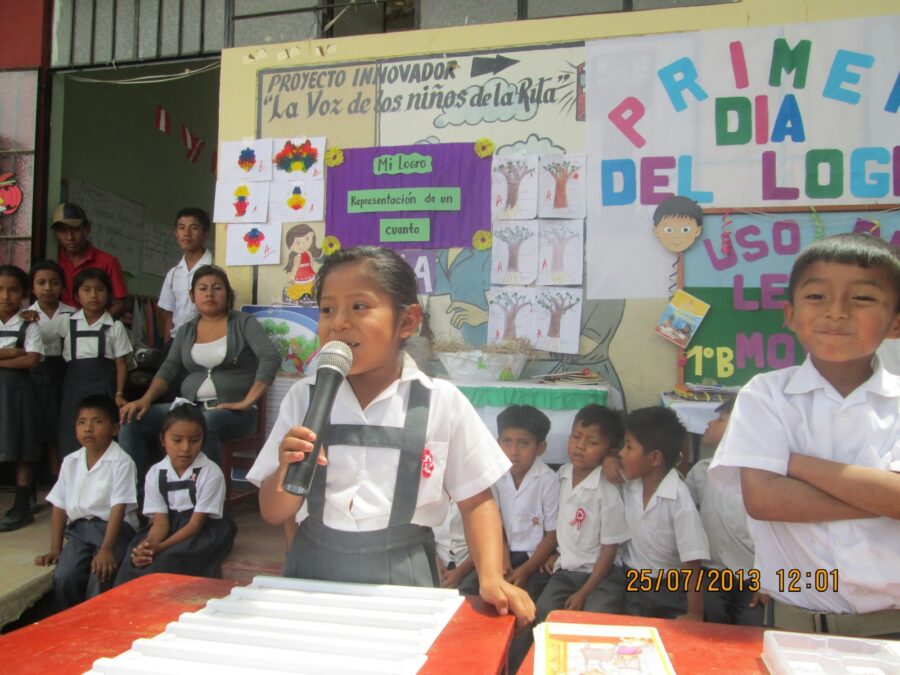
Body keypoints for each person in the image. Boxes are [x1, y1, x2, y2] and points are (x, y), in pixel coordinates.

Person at [247, 245, 535, 630]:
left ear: (407, 321)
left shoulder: (440, 401)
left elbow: (475, 500)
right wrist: (286, 469)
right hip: (313, 564)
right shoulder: (304, 397)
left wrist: (490, 576)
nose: (339, 323)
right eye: (327, 309)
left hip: (404, 569)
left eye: (359, 307)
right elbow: (273, 512)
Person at [710, 233, 900, 638]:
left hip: (891, 628)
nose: (837, 312)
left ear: (896, 322)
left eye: (862, 298)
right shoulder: (765, 394)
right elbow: (765, 499)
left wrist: (794, 463)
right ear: (791, 314)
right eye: (817, 296)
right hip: (794, 625)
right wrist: (879, 497)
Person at [119, 265, 279, 482]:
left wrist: (247, 402)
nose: (209, 294)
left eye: (217, 288)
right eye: (202, 288)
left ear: (228, 294)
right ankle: (135, 495)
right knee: (132, 421)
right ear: (192, 296)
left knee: (206, 422)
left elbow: (270, 357)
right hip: (190, 408)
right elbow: (169, 368)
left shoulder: (243, 323)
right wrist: (144, 400)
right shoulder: (186, 330)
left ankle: (206, 493)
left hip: (235, 414)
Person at [35, 395, 138, 610]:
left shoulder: (122, 462)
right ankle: (70, 623)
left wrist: (107, 550)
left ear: (114, 429)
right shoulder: (70, 461)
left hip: (114, 531)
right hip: (79, 530)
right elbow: (59, 505)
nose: (88, 429)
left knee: (101, 575)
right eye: (82, 422)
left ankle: (97, 623)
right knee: (65, 576)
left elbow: (118, 508)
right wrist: (55, 548)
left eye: (97, 421)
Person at [115, 403, 236, 583]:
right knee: (134, 559)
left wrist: (162, 547)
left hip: (202, 530)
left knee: (166, 561)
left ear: (203, 440)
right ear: (163, 440)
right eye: (177, 440)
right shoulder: (156, 473)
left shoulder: (211, 473)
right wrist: (149, 545)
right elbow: (161, 521)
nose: (186, 448)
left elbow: (195, 524)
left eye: (194, 440)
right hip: (169, 525)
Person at [608, 407, 709, 621]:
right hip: (631, 582)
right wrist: (607, 460)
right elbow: (606, 462)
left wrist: (694, 613)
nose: (621, 453)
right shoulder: (628, 480)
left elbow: (692, 562)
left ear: (654, 458)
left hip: (669, 589)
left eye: (629, 447)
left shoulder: (679, 499)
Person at [535, 405, 629, 619]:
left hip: (603, 573)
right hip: (566, 570)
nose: (580, 446)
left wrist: (584, 592)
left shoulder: (608, 490)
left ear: (610, 452)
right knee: (543, 612)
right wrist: (557, 553)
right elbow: (564, 524)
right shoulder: (562, 475)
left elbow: (609, 550)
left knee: (594, 617)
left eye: (592, 442)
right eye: (576, 437)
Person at [684, 398, 763, 626]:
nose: (710, 423)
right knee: (712, 628)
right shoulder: (701, 471)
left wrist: (769, 580)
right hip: (711, 573)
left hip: (752, 577)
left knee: (751, 630)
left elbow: (777, 533)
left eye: (720, 419)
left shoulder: (763, 477)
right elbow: (684, 515)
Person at [52, 268, 132, 456]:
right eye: (86, 290)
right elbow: (40, 336)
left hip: (104, 385)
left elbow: (121, 364)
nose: (93, 295)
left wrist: (119, 393)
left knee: (102, 429)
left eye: (100, 289)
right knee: (72, 431)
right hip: (74, 386)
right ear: (76, 295)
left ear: (109, 295)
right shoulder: (66, 322)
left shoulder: (115, 326)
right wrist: (28, 316)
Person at [494, 404, 558, 602]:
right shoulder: (494, 476)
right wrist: (503, 561)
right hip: (500, 553)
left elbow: (552, 535)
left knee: (529, 602)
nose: (514, 451)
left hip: (534, 560)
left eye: (523, 443)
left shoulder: (548, 480)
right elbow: (495, 525)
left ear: (541, 448)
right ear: (497, 442)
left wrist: (525, 570)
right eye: (506, 441)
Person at [0, 265, 45, 532]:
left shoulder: (28, 324)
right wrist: (13, 352)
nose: (6, 296)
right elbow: (23, 355)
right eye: (0, 289)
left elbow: (31, 359)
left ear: (24, 293)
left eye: (13, 290)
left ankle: (21, 505)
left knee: (22, 445)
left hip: (19, 392)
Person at [28, 260, 76, 476]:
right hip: (38, 372)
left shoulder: (73, 313)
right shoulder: (26, 315)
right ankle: (52, 476)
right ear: (32, 287)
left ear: (63, 286)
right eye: (41, 283)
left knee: (65, 423)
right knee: (45, 424)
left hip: (67, 370)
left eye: (54, 283)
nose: (48, 288)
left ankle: (66, 475)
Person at [51, 203, 128, 318]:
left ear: (87, 229)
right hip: (58, 325)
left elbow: (121, 303)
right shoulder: (52, 259)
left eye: (75, 229)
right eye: (63, 231)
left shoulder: (108, 262)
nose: (70, 237)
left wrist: (97, 324)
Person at [158, 207, 213, 344]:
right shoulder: (173, 274)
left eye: (194, 228)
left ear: (205, 233)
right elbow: (169, 315)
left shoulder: (215, 269)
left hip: (206, 341)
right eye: (181, 228)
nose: (186, 233)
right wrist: (168, 347)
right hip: (176, 341)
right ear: (176, 233)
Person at [433, 501, 479, 595]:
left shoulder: (477, 495)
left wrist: (461, 571)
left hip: (471, 564)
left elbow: (485, 539)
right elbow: (423, 532)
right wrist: (435, 560)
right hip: (438, 564)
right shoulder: (430, 495)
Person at [282, 223, 322, 303]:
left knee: (310, 287)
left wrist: (312, 271)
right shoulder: (298, 256)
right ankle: (292, 296)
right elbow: (295, 267)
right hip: (301, 275)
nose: (303, 245)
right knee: (300, 288)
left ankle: (307, 297)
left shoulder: (308, 253)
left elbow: (311, 264)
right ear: (290, 245)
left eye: (307, 239)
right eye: (298, 242)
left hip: (310, 274)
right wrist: (292, 276)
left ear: (312, 235)